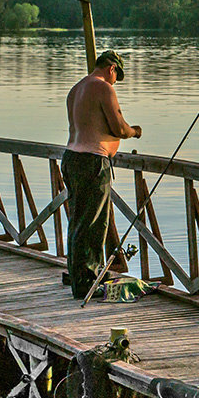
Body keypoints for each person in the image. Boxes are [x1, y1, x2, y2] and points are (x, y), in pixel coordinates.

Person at [62, 50, 142, 299]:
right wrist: (135, 131)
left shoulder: (77, 89)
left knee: (78, 219)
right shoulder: (103, 87)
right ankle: (86, 282)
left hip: (72, 158)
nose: (115, 81)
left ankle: (77, 273)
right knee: (94, 223)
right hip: (92, 162)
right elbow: (118, 127)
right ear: (111, 68)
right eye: (117, 75)